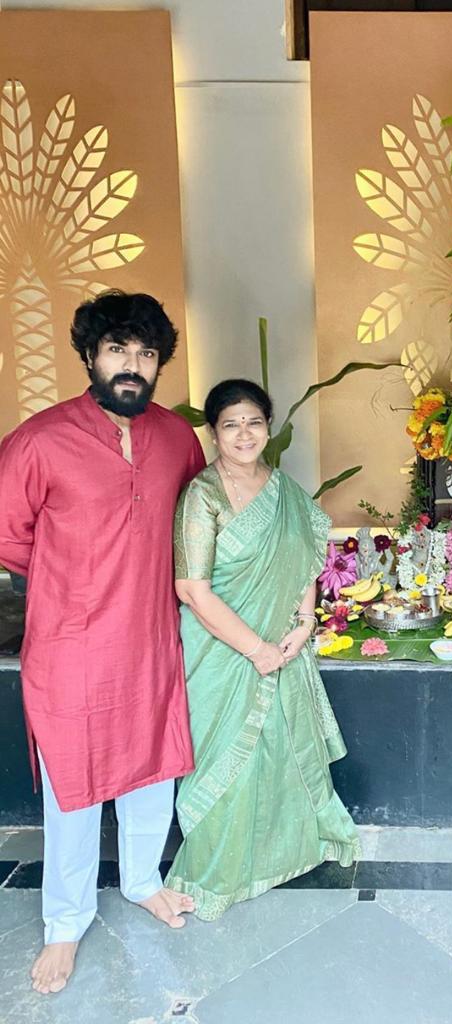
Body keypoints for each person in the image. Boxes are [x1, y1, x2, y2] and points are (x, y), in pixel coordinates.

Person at [0, 291, 205, 994]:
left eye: (145, 353)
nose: (132, 366)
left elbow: (192, 522)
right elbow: (7, 533)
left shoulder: (177, 438)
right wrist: (72, 573)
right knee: (74, 780)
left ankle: (144, 880)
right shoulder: (39, 440)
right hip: (71, 641)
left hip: (150, 636)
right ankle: (65, 921)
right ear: (90, 355)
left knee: (152, 766)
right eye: (118, 349)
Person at [165, 379, 360, 919]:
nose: (244, 434)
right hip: (220, 652)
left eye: (253, 422)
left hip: (282, 644)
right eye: (231, 424)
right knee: (226, 755)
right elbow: (192, 589)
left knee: (281, 747)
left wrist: (304, 622)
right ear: (214, 433)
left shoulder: (285, 491)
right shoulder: (202, 495)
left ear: (268, 427)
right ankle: (221, 870)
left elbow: (305, 557)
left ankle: (285, 851)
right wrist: (256, 650)